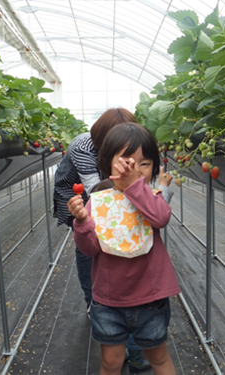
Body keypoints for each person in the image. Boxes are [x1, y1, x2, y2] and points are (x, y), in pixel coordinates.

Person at [67, 122, 180, 375]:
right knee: (110, 363)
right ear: (108, 163)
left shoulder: (151, 198)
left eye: (144, 163)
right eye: (127, 163)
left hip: (150, 299)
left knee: (158, 358)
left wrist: (134, 188)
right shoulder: (99, 201)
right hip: (109, 301)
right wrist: (82, 222)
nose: (136, 170)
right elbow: (90, 248)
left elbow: (161, 218)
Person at [52, 108, 152, 372]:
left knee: (120, 246)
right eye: (117, 147)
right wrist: (137, 188)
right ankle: (93, 302)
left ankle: (130, 337)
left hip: (114, 192)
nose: (125, 152)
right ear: (102, 142)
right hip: (77, 198)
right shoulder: (83, 146)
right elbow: (99, 190)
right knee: (89, 248)